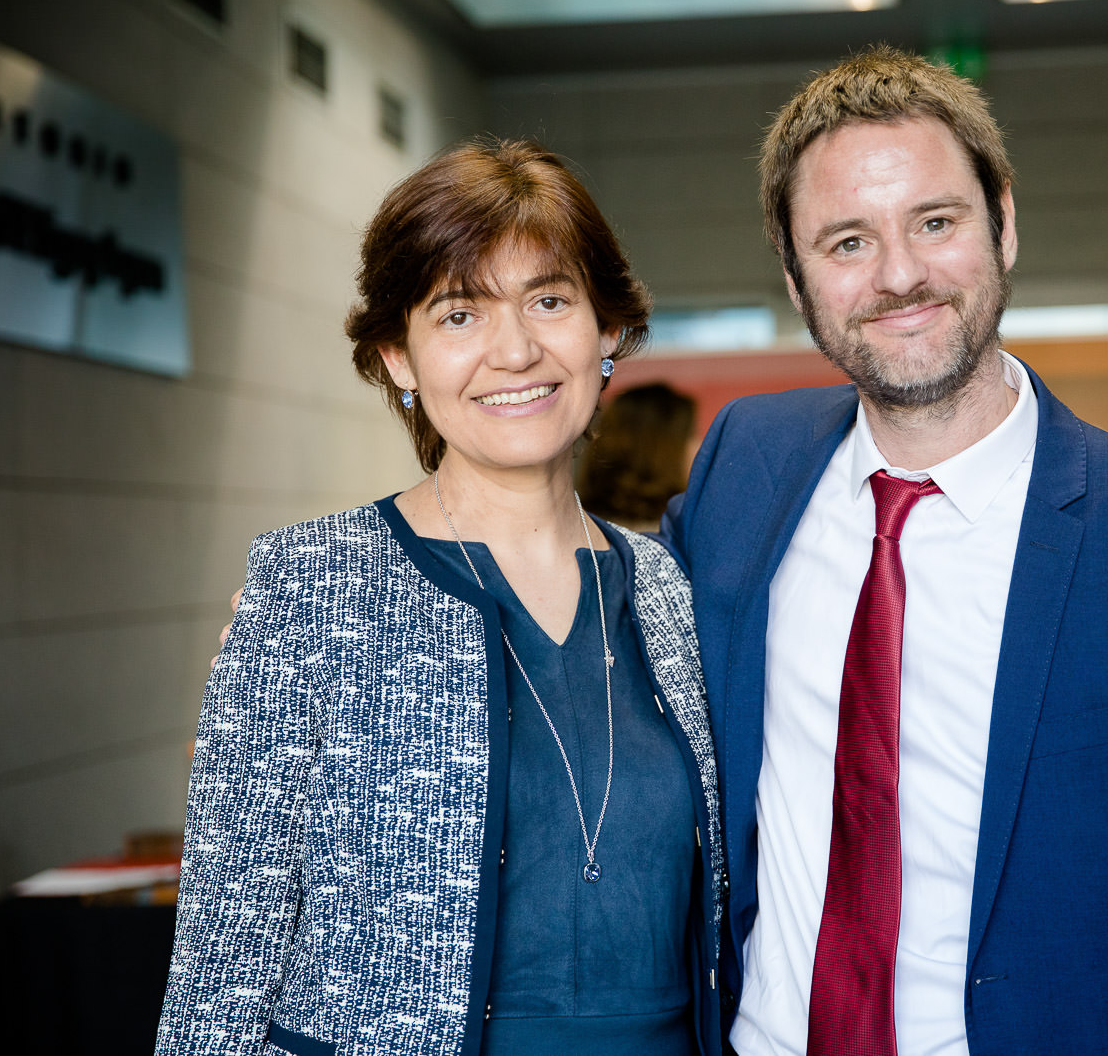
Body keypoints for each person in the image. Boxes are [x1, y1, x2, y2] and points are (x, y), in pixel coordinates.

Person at [660, 46, 1108, 1054]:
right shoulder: (746, 462)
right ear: (794, 275)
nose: (899, 274)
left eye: (935, 221)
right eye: (847, 241)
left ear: (1003, 222)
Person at [157, 140, 723, 1056]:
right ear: (398, 357)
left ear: (608, 331)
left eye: (550, 300)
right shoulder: (314, 586)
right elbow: (224, 949)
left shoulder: (670, 590)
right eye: (460, 314)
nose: (516, 350)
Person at [578, 381, 698, 531]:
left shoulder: (582, 527)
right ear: (659, 450)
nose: (699, 446)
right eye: (691, 435)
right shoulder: (683, 537)